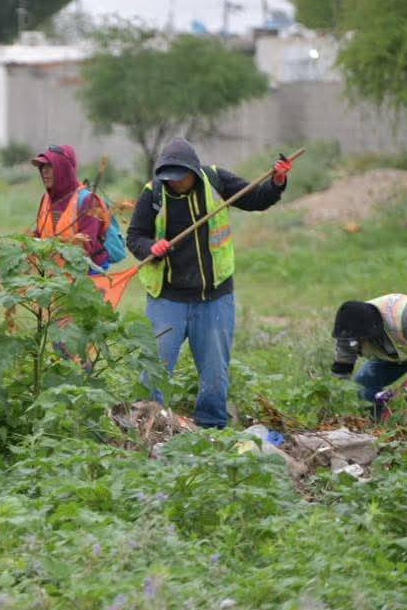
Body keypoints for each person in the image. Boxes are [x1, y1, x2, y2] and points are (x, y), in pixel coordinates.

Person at [125, 138, 292, 428]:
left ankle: (211, 429)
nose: (175, 184)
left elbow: (256, 199)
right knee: (154, 369)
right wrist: (150, 248)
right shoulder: (153, 194)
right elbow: (135, 236)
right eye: (169, 179)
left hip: (214, 297)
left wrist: (277, 182)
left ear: (194, 171)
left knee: (215, 373)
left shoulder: (216, 180)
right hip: (167, 298)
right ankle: (146, 425)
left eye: (181, 178)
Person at [30, 144, 109, 271]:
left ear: (64, 169)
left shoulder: (88, 201)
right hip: (53, 277)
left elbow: (85, 248)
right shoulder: (45, 199)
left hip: (84, 278)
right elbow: (40, 234)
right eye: (42, 166)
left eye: (50, 166)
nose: (44, 171)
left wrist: (48, 247)